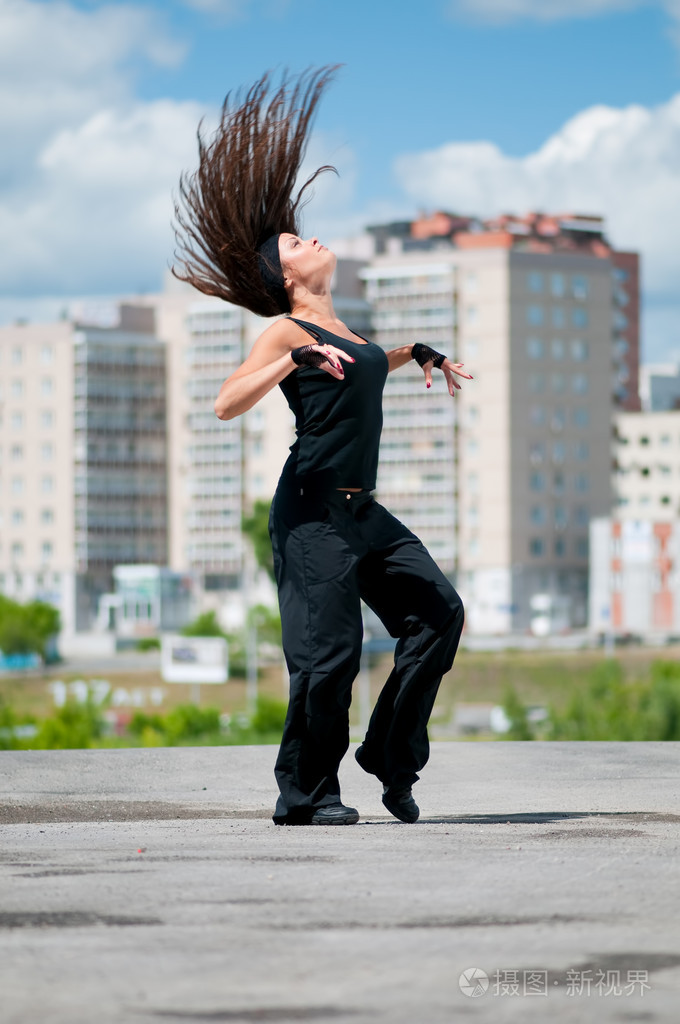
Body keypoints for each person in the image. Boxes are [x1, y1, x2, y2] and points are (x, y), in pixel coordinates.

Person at [173, 67, 470, 826]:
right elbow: (224, 403)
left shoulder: (349, 332)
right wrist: (290, 360)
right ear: (288, 275)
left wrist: (418, 353)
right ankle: (304, 795)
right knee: (328, 657)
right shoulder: (289, 329)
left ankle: (388, 757)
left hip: (360, 511)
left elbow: (369, 366)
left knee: (438, 615)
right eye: (295, 242)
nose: (310, 239)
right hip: (309, 512)